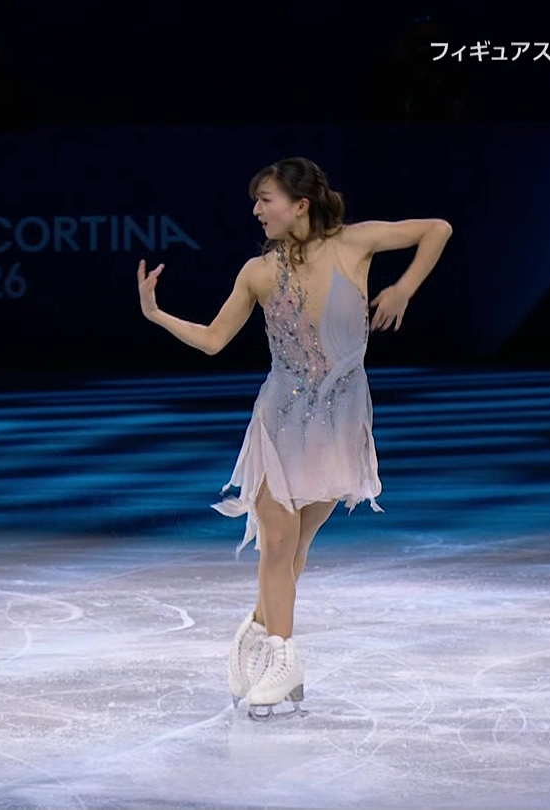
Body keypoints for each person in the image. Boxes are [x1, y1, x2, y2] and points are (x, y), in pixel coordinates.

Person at [136, 157, 453, 718]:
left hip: (340, 422)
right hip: (279, 423)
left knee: (296, 547)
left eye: (266, 200)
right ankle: (284, 658)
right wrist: (156, 314)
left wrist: (403, 288)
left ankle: (257, 630)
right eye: (256, 202)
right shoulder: (257, 273)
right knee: (277, 544)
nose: (257, 211)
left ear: (300, 204)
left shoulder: (354, 243)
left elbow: (438, 229)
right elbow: (213, 340)